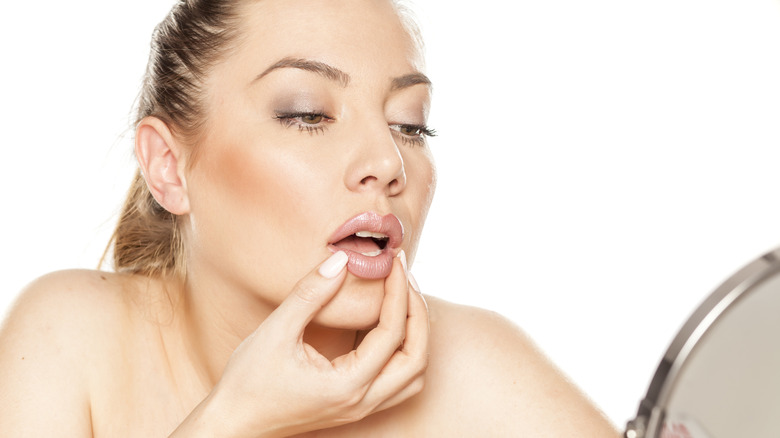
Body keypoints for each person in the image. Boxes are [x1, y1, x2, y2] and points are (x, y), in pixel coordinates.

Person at [0, 0, 618, 436]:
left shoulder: (474, 369)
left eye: (410, 124)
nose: (386, 160)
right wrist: (234, 420)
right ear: (169, 166)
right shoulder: (70, 341)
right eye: (306, 114)